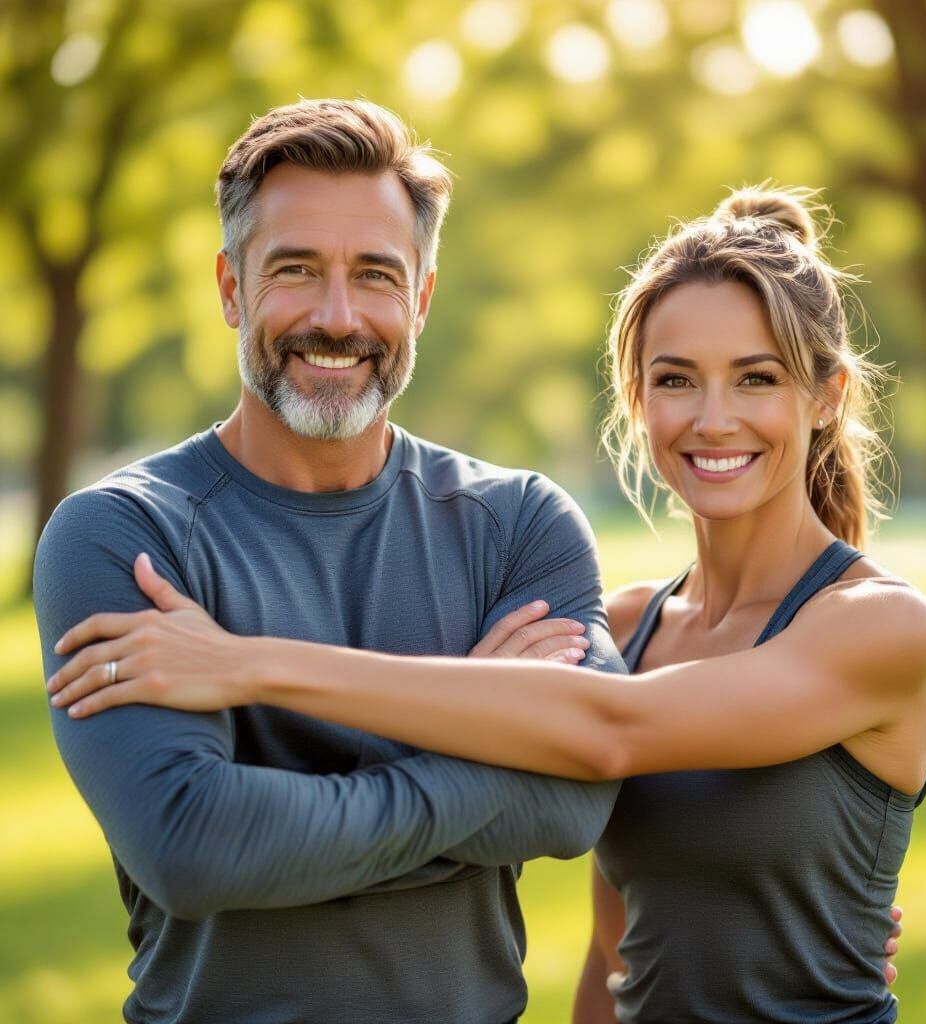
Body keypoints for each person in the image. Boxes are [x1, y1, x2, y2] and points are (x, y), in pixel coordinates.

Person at [47, 186, 926, 1021]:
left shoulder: (881, 628)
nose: (712, 418)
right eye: (674, 379)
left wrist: (252, 664)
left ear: (826, 396)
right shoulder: (630, 627)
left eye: (756, 378)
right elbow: (613, 948)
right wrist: (485, 718)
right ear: (635, 398)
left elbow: (604, 742)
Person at [33, 98, 626, 1024]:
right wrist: (487, 731)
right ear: (232, 289)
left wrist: (279, 769)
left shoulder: (519, 526)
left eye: (376, 275)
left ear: (421, 299)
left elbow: (578, 797)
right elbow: (194, 846)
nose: (338, 317)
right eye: (297, 270)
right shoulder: (120, 537)